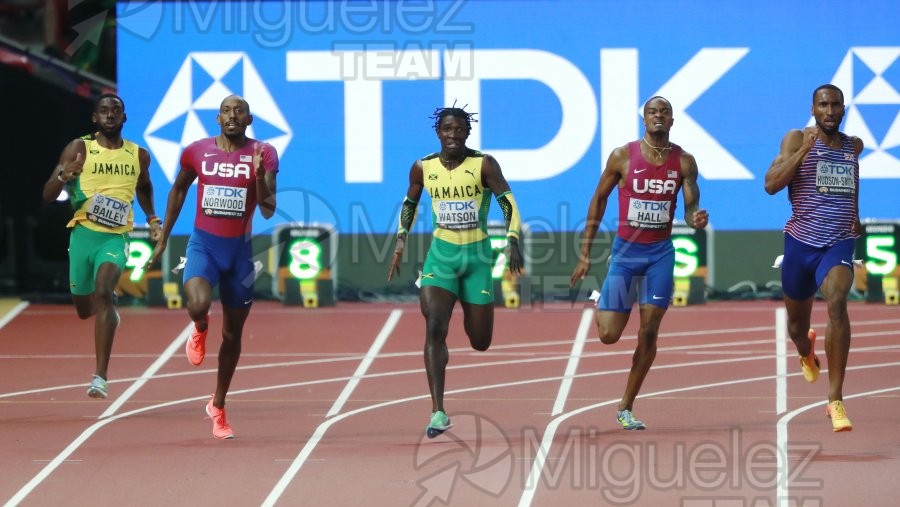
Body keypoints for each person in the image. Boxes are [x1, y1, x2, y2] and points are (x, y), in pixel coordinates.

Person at [570, 96, 708, 430]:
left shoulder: (684, 162)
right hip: (626, 255)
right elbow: (599, 200)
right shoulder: (622, 156)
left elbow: (690, 210)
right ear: (643, 119)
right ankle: (607, 297)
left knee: (648, 333)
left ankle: (626, 406)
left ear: (672, 121)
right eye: (652, 112)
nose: (659, 116)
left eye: (665, 113)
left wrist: (696, 219)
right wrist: (585, 253)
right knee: (608, 335)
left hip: (660, 255)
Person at [388, 105, 524, 438]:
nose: (453, 135)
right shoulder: (424, 167)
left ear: (467, 132)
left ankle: (469, 305)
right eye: (447, 129)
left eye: (459, 130)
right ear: (439, 132)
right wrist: (400, 240)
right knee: (434, 325)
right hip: (441, 257)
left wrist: (513, 239)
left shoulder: (484, 164)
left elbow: (508, 201)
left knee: (480, 342)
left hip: (477, 256)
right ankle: (437, 411)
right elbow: (410, 203)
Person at [150, 95, 278, 439]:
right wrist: (163, 238)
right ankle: (199, 326)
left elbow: (268, 209)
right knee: (197, 303)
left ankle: (218, 406)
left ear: (249, 119)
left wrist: (259, 177)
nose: (232, 115)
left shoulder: (264, 153)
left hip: (240, 254)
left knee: (233, 335)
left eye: (239, 111)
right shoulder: (196, 151)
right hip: (204, 245)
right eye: (226, 110)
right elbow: (178, 190)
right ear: (217, 119)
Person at [42, 92, 160, 399]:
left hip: (116, 236)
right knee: (84, 309)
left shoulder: (138, 155)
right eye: (104, 111)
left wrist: (152, 218)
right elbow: (48, 194)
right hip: (83, 235)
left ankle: (101, 376)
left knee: (105, 291)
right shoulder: (79, 148)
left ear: (124, 118)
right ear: (95, 118)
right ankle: (106, 308)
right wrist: (64, 175)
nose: (110, 115)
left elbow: (144, 186)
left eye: (116, 111)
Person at [764, 84, 861, 432]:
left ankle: (835, 399)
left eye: (836, 105)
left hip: (837, 244)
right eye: (823, 105)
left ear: (844, 108)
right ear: (814, 108)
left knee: (837, 301)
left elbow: (853, 181)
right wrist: (802, 153)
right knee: (796, 328)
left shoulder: (853, 147)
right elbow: (771, 184)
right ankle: (806, 352)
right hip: (800, 245)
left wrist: (856, 216)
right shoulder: (796, 139)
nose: (830, 111)